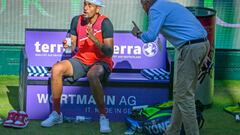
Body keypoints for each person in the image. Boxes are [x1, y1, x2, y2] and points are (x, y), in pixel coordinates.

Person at [131, 0, 210, 135]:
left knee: (185, 97)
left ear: (148, 2)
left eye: (142, 4)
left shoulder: (154, 9)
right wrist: (202, 52)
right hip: (202, 44)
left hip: (190, 48)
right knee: (180, 94)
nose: (143, 8)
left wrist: (138, 33)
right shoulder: (168, 5)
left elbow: (150, 36)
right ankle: (172, 131)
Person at [41, 0, 114, 133]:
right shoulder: (76, 20)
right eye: (84, 4)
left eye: (89, 5)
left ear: (97, 9)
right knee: (56, 69)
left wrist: (94, 39)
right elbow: (73, 46)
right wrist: (68, 44)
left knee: (92, 74)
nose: (85, 8)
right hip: (80, 60)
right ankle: (56, 114)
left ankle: (103, 116)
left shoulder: (105, 23)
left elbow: (109, 52)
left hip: (101, 61)